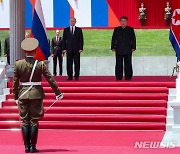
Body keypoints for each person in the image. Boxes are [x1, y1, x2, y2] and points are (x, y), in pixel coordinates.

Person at [13, 38, 63, 153]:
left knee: (25, 120)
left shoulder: (18, 64)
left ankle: (26, 147)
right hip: (36, 94)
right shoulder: (40, 64)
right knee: (34, 121)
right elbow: (50, 79)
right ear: (35, 50)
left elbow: (15, 82)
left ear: (24, 51)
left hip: (23, 94)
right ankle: (33, 147)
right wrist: (58, 92)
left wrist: (15, 96)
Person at [111, 16, 136, 81]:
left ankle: (128, 77)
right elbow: (113, 39)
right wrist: (113, 47)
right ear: (120, 22)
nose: (123, 22)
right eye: (122, 21)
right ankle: (118, 77)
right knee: (119, 64)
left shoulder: (130, 29)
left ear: (127, 22)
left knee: (128, 63)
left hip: (128, 49)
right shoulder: (116, 29)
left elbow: (133, 39)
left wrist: (133, 47)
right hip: (119, 49)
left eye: (124, 21)